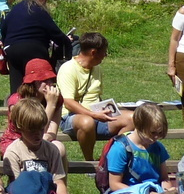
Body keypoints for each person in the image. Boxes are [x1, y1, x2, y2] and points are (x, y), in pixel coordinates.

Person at [57, 32, 135, 161]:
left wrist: (107, 110)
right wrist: (93, 115)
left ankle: (108, 157)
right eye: (104, 52)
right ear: (93, 52)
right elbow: (68, 102)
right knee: (87, 122)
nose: (105, 56)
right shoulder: (68, 69)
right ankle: (90, 162)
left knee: (132, 118)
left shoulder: (97, 69)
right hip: (72, 118)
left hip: (97, 115)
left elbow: (97, 96)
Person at [0, 0, 70, 97]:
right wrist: (66, 42)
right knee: (39, 81)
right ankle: (40, 101)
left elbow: (3, 28)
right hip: (33, 49)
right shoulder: (39, 11)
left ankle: (15, 103)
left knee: (16, 83)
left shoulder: (16, 8)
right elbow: (55, 32)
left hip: (12, 49)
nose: (45, 1)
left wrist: (6, 45)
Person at [0, 58, 67, 163]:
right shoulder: (17, 101)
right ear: (33, 82)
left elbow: (52, 132)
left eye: (50, 79)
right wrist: (50, 105)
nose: (49, 84)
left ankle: (59, 175)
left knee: (59, 148)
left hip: (41, 139)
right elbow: (33, 128)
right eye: (44, 81)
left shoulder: (55, 99)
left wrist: (44, 139)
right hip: (17, 140)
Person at [103, 102, 169, 193]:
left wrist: (166, 192)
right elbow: (114, 184)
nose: (156, 137)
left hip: (155, 192)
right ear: (139, 126)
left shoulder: (158, 147)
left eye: (160, 133)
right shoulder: (120, 148)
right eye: (152, 133)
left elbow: (164, 178)